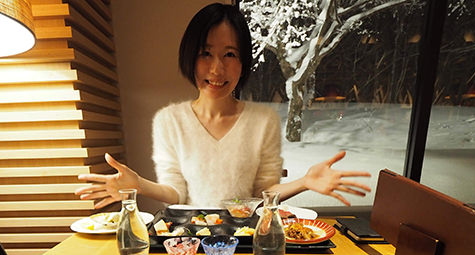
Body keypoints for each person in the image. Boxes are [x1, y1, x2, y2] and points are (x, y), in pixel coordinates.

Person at [76, 2, 370, 209]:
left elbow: (263, 193)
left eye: (229, 54)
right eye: (205, 53)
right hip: (192, 241)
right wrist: (139, 184)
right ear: (190, 57)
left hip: (246, 240)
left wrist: (305, 181)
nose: (217, 69)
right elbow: (176, 193)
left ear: (243, 63)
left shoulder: (263, 121)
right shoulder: (169, 120)